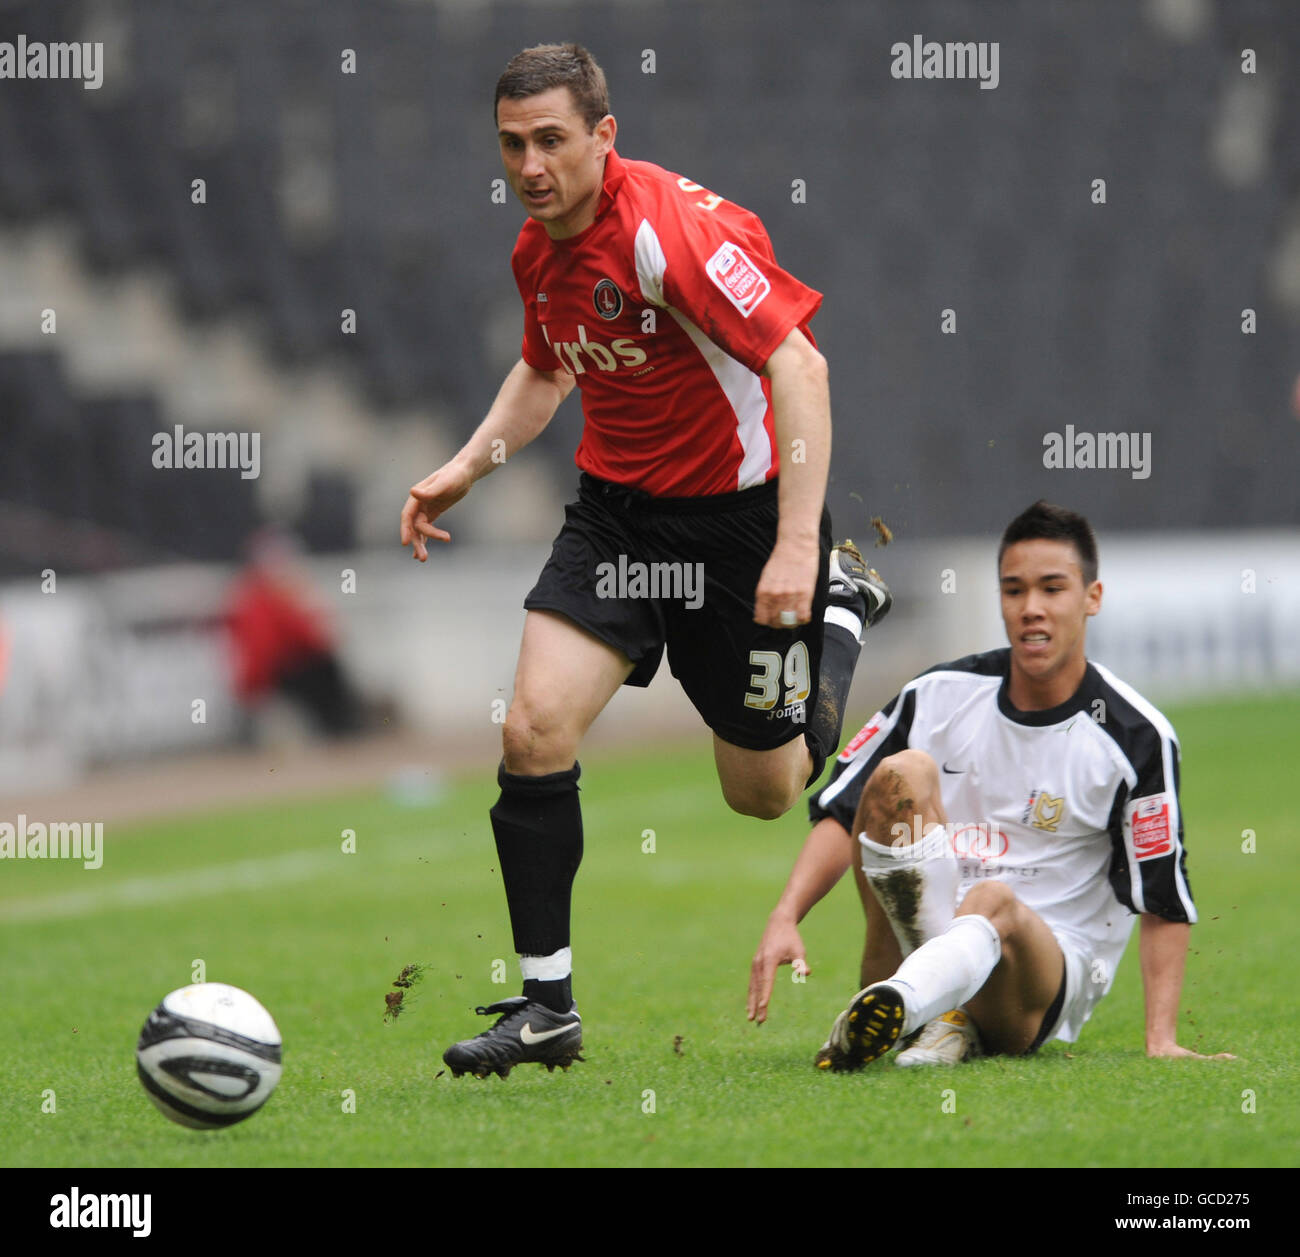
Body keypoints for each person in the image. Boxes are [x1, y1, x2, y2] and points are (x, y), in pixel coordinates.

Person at [399, 43, 891, 1078]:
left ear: (603, 138)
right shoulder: (538, 248)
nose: (530, 166)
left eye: (551, 141)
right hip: (617, 522)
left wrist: (796, 543)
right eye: (511, 145)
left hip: (738, 530)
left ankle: (834, 613)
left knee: (761, 793)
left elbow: (800, 365)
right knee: (532, 729)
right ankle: (546, 1009)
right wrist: (464, 468)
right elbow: (544, 369)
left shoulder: (672, 233)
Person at [747, 501, 1234, 1067]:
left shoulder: (1135, 734)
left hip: (1035, 978)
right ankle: (929, 1012)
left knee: (992, 900)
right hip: (915, 942)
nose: (1032, 609)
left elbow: (1162, 895)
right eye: (1014, 590)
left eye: (1052, 589)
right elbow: (840, 811)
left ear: (1091, 598)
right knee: (898, 775)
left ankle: (909, 1007)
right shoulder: (937, 694)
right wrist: (784, 917)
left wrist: (1162, 1040)